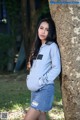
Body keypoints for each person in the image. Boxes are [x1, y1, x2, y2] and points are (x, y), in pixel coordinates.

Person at [24, 18, 61, 120]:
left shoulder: (52, 46)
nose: (43, 31)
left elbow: (57, 68)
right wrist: (30, 78)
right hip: (34, 91)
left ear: (51, 32)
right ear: (38, 29)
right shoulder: (37, 47)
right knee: (41, 117)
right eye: (41, 28)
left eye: (47, 29)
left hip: (44, 89)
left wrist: (41, 81)